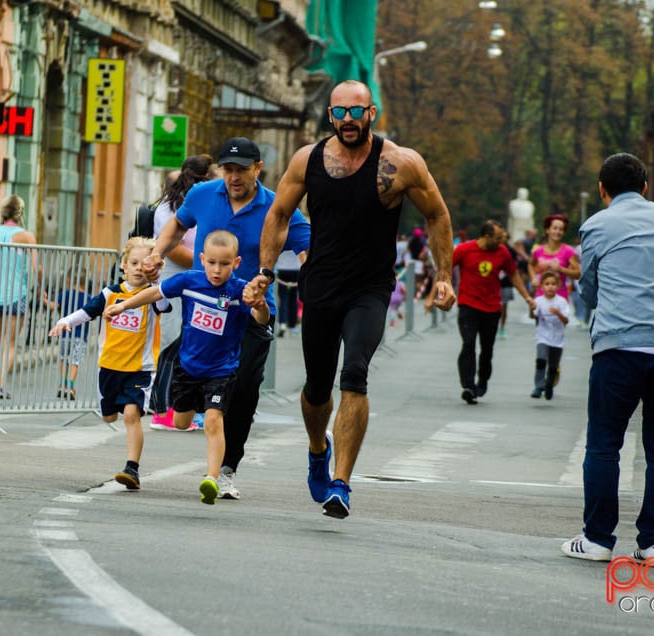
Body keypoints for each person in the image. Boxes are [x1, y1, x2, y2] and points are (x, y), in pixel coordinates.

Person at [248, 79, 456, 519]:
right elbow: (279, 214)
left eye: (355, 112)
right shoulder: (308, 159)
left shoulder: (400, 163)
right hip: (320, 284)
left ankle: (342, 483)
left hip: (370, 287)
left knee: (355, 374)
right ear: (330, 116)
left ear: (371, 114)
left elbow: (437, 214)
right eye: (338, 112)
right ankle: (317, 448)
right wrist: (265, 272)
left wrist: (443, 276)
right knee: (317, 387)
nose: (347, 119)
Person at [144, 136, 310, 500]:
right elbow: (176, 225)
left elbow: (306, 245)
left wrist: (310, 276)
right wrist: (158, 252)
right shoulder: (203, 194)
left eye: (242, 170)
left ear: (258, 170)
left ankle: (227, 469)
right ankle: (182, 408)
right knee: (188, 391)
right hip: (204, 314)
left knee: (245, 391)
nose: (234, 177)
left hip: (251, 314)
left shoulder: (277, 207)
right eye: (228, 170)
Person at [562, 152, 654, 563]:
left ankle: (598, 539)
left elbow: (587, 288)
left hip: (620, 348)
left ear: (603, 190)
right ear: (646, 187)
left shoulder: (596, 226)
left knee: (605, 444)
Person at [105, 231, 269, 504]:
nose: (217, 270)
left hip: (222, 370)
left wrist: (260, 305)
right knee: (181, 422)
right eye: (212, 262)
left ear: (236, 263)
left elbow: (261, 319)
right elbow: (154, 293)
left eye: (225, 264)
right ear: (202, 260)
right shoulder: (189, 281)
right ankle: (190, 412)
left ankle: (211, 479)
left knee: (215, 420)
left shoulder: (241, 291)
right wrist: (123, 307)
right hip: (188, 368)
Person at [50, 237, 168, 492]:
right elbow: (87, 311)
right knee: (108, 417)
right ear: (123, 265)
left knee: (130, 416)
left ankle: (132, 469)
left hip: (140, 368)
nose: (139, 268)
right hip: (109, 366)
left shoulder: (153, 295)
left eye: (144, 264)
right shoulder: (110, 293)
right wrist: (65, 321)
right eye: (133, 263)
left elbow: (164, 303)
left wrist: (157, 280)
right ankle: (114, 415)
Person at [149, 154, 214, 431]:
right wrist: (207, 264)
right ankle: (165, 408)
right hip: (176, 277)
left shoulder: (206, 202)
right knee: (174, 343)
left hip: (200, 279)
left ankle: (190, 406)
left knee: (196, 342)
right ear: (204, 179)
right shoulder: (169, 208)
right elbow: (171, 248)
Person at [450, 220, 536, 405]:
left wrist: (527, 297)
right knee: (468, 344)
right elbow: (445, 268)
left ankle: (482, 382)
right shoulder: (465, 250)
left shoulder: (502, 252)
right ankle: (468, 386)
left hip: (491, 308)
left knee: (487, 350)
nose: (501, 241)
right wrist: (439, 291)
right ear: (486, 236)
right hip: (468, 306)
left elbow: (513, 274)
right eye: (498, 238)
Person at [0, 194, 37, 399]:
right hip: (16, 294)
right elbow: (35, 268)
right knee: (10, 342)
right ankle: (0, 384)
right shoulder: (27, 237)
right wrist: (39, 290)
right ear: (20, 213)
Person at [528, 271, 568, 399]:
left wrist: (558, 313)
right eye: (547, 284)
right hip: (542, 337)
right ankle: (538, 387)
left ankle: (549, 386)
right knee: (541, 361)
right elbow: (532, 315)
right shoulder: (539, 301)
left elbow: (566, 321)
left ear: (558, 286)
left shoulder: (561, 302)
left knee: (553, 366)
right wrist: (531, 307)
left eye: (553, 284)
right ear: (542, 286)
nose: (550, 286)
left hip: (557, 339)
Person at [53, 269, 89, 400]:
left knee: (63, 358)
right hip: (80, 335)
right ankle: (71, 386)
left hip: (64, 334)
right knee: (75, 361)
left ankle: (62, 385)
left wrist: (43, 299)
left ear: (68, 280)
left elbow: (53, 306)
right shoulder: (88, 297)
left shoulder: (65, 294)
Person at [528, 213, 580, 299]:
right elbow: (530, 264)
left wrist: (560, 269)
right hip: (541, 296)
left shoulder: (568, 251)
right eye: (555, 228)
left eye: (561, 229)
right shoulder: (538, 250)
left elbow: (578, 274)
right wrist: (533, 278)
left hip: (560, 297)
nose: (558, 232)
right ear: (547, 230)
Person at [275, 250, 303, 336]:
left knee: (283, 298)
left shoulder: (280, 236)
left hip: (282, 269)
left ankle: (283, 323)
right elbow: (302, 253)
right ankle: (292, 326)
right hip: (296, 269)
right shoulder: (297, 236)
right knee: (294, 299)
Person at [498, 230, 518, 337]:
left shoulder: (511, 251)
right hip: (494, 283)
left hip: (506, 282)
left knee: (504, 306)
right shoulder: (494, 249)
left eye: (506, 237)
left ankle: (502, 326)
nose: (504, 239)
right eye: (502, 237)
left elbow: (514, 268)